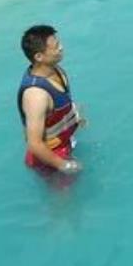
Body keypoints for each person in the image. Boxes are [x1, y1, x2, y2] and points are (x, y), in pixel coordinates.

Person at [17, 25, 83, 174]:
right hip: (50, 158)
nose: (61, 48)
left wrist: (75, 117)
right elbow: (34, 144)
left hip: (66, 143)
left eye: (59, 43)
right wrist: (63, 165)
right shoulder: (36, 95)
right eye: (56, 46)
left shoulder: (56, 70)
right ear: (39, 56)